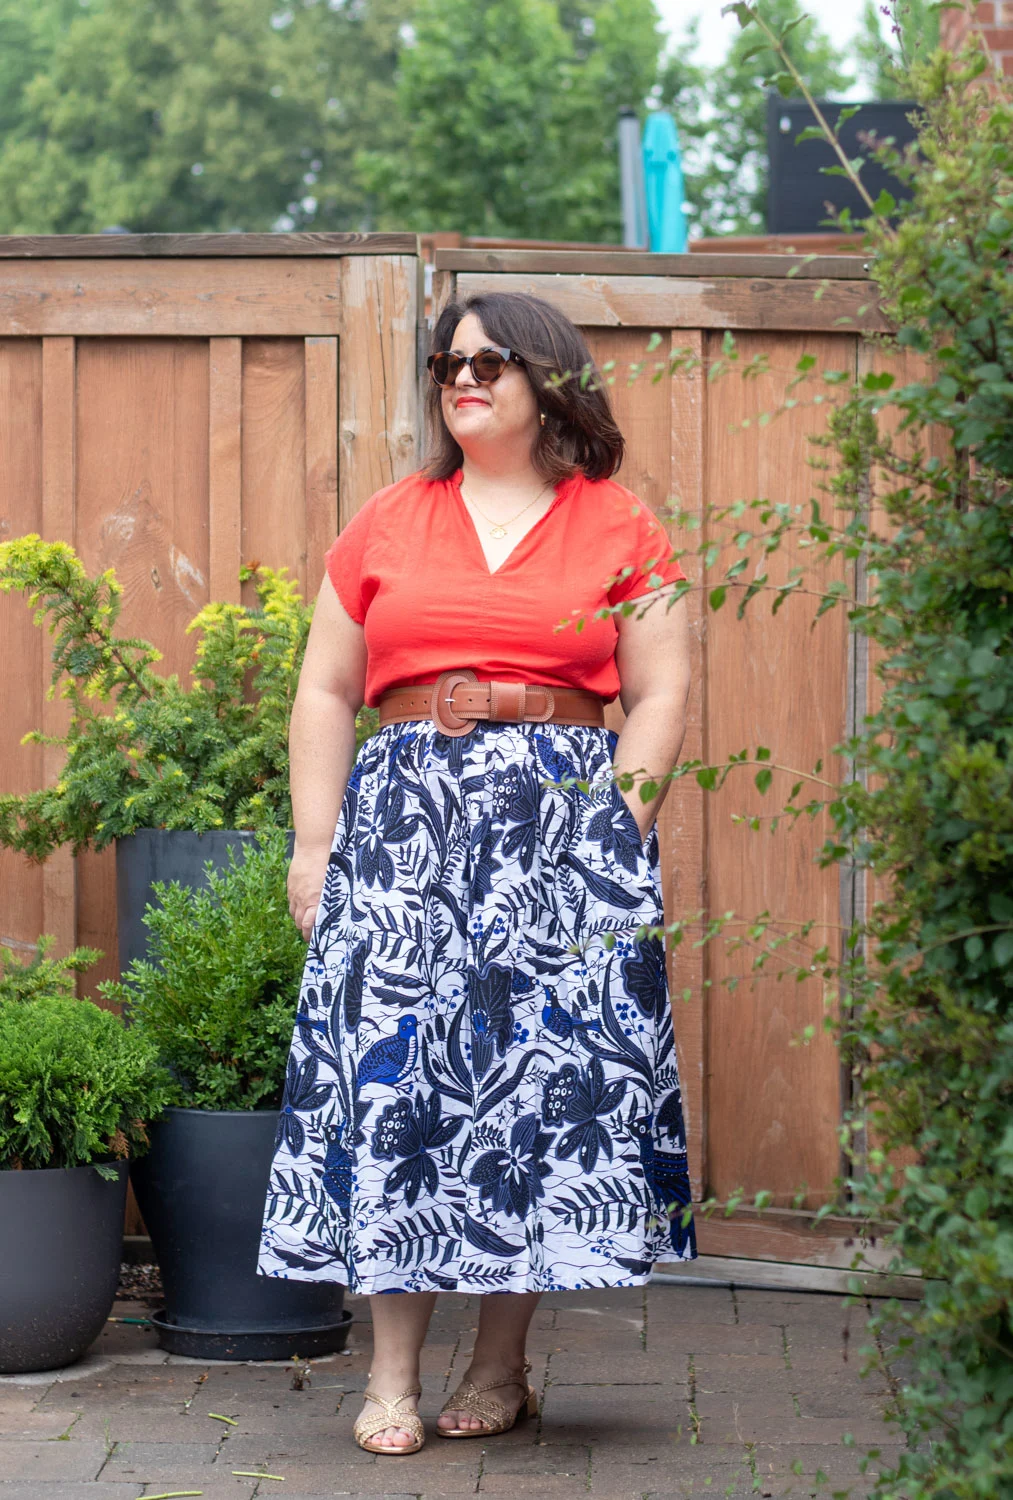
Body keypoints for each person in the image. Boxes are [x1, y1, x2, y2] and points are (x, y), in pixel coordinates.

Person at [258, 290, 696, 1455]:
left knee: (535, 1087)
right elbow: (323, 689)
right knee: (400, 1081)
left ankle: (500, 1363)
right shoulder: (389, 520)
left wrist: (618, 829)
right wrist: (315, 845)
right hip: (405, 833)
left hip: (560, 838)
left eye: (489, 361)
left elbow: (656, 690)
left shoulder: (619, 524)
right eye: (448, 363)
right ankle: (389, 1373)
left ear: (547, 380)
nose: (462, 377)